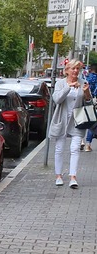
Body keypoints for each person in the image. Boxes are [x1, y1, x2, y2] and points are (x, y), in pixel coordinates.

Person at [49, 59, 92, 189]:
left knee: (74, 149)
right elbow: (56, 99)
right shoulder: (61, 83)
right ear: (67, 70)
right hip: (61, 120)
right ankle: (58, 176)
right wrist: (69, 87)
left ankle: (73, 177)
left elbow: (88, 103)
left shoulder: (83, 82)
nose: (75, 71)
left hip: (77, 120)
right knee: (59, 149)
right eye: (73, 68)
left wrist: (86, 92)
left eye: (77, 69)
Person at [83, 63, 97, 152]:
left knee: (84, 122)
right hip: (95, 102)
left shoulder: (86, 78)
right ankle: (87, 144)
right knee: (93, 123)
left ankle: (83, 142)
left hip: (86, 101)